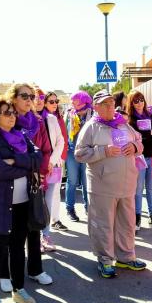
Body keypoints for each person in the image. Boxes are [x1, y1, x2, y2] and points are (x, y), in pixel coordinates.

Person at [0, 96, 43, 303]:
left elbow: (39, 159)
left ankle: (19, 289)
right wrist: (26, 165)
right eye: (6, 113)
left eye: (12, 112)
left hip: (24, 202)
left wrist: (14, 161)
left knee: (17, 249)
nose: (12, 116)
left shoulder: (22, 135)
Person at [75, 90, 146, 278]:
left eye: (111, 103)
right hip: (102, 186)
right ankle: (105, 259)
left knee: (127, 223)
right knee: (103, 224)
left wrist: (135, 147)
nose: (109, 107)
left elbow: (139, 142)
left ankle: (126, 257)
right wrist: (102, 151)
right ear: (96, 107)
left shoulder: (123, 124)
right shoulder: (91, 127)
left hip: (127, 184)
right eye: (104, 104)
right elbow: (79, 154)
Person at [2, 84, 53, 289]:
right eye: (24, 95)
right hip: (10, 182)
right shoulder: (6, 119)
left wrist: (41, 172)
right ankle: (5, 273)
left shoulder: (38, 121)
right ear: (13, 97)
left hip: (33, 179)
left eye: (31, 96)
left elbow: (46, 149)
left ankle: (35, 269)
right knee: (11, 231)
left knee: (34, 225)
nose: (29, 99)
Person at [126, 90, 152, 231]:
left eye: (141, 99)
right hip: (139, 158)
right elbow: (138, 137)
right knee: (138, 189)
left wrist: (151, 133)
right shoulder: (130, 119)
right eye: (135, 101)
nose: (139, 103)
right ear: (131, 103)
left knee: (150, 188)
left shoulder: (151, 114)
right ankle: (137, 218)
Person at [35, 90, 66, 250]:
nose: (39, 100)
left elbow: (60, 141)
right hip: (34, 168)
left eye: (41, 97)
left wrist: (51, 161)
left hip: (52, 167)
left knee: (47, 202)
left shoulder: (52, 118)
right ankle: (34, 239)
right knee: (35, 203)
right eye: (35, 97)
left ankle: (45, 236)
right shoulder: (24, 120)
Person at [64, 91, 93, 221]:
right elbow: (64, 133)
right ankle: (70, 209)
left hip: (87, 153)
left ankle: (89, 209)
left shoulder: (93, 115)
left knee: (87, 183)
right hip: (71, 152)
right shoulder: (69, 114)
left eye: (79, 107)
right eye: (74, 104)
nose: (77, 110)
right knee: (72, 181)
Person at [43, 91, 68, 231]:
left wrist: (61, 158)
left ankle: (55, 219)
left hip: (58, 161)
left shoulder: (58, 117)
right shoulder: (45, 118)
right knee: (46, 194)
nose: (54, 104)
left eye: (56, 101)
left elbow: (62, 139)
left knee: (56, 191)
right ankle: (45, 225)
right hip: (47, 162)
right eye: (51, 101)